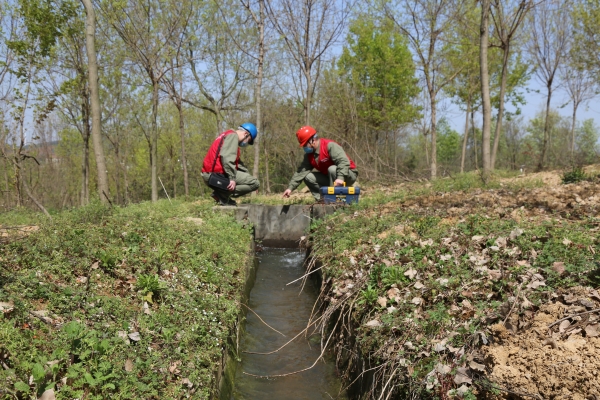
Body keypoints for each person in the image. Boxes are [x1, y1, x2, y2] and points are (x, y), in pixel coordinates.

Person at [283, 126, 358, 202]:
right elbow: (301, 172)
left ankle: (338, 200)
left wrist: (340, 177)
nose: (304, 147)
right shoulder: (309, 155)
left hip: (347, 174)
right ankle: (323, 200)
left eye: (305, 144)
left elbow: (343, 161)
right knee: (308, 177)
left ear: (312, 140)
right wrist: (290, 188)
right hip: (330, 177)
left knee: (332, 169)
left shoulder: (329, 145)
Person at [202, 123, 259, 205]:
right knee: (255, 183)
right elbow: (227, 158)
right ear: (246, 134)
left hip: (209, 173)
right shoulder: (233, 136)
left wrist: (250, 178)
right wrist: (232, 179)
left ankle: (222, 196)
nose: (246, 143)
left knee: (253, 182)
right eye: (248, 140)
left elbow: (238, 164)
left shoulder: (227, 134)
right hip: (216, 174)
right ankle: (222, 195)